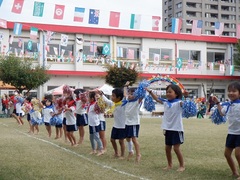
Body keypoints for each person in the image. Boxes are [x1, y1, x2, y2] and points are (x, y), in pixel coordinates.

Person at [146, 84, 186, 172]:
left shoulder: (178, 102)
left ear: (176, 94)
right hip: (168, 129)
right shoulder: (166, 102)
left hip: (177, 129)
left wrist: (185, 99)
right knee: (167, 148)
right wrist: (150, 92)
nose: (168, 93)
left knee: (176, 148)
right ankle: (169, 165)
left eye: (170, 92)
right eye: (167, 92)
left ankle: (182, 165)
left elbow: (184, 104)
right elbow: (156, 98)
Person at [212, 82, 240, 179]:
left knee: (238, 154)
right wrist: (217, 103)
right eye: (229, 91)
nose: (231, 93)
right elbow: (222, 113)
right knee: (227, 154)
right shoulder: (228, 105)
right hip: (231, 133)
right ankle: (235, 172)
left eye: (234, 91)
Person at [101, 88, 126, 159]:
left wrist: (125, 88)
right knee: (112, 140)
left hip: (122, 126)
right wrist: (102, 95)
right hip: (115, 126)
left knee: (121, 141)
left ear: (119, 98)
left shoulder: (123, 105)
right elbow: (107, 101)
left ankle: (122, 155)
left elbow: (126, 98)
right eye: (112, 95)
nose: (112, 97)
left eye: (114, 96)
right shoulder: (113, 104)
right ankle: (116, 152)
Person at [123, 81, 143, 163]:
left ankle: (138, 154)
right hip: (127, 122)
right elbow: (125, 94)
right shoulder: (127, 100)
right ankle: (131, 151)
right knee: (128, 138)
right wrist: (125, 86)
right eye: (129, 93)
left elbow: (142, 96)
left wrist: (142, 88)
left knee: (134, 139)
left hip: (134, 123)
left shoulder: (137, 102)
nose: (130, 95)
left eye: (132, 94)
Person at [87, 91, 104, 156]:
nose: (87, 98)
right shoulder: (90, 104)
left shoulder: (95, 104)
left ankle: (101, 149)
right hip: (91, 123)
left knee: (96, 137)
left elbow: (100, 111)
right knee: (91, 137)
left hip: (94, 123)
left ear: (92, 99)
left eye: (88, 97)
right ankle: (93, 149)